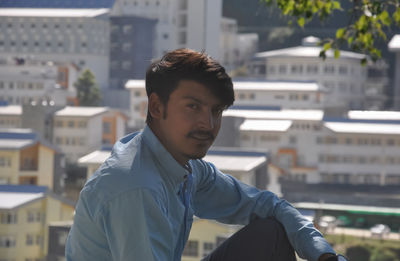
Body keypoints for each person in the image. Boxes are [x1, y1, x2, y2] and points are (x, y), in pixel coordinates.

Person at [66, 49, 347, 261]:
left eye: (216, 111)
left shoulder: (186, 168)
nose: (208, 124)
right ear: (156, 107)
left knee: (270, 234)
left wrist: (325, 256)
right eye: (193, 107)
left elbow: (268, 206)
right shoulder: (136, 186)